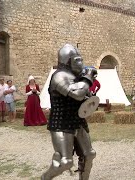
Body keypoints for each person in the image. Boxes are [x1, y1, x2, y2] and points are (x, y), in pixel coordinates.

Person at [41, 44, 96, 180]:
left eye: (80, 59)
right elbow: (76, 93)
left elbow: (86, 96)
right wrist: (88, 79)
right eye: (77, 60)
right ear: (67, 60)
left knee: (89, 154)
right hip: (61, 123)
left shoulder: (78, 77)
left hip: (78, 121)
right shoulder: (59, 76)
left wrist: (90, 99)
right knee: (66, 162)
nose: (80, 63)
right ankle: (45, 177)